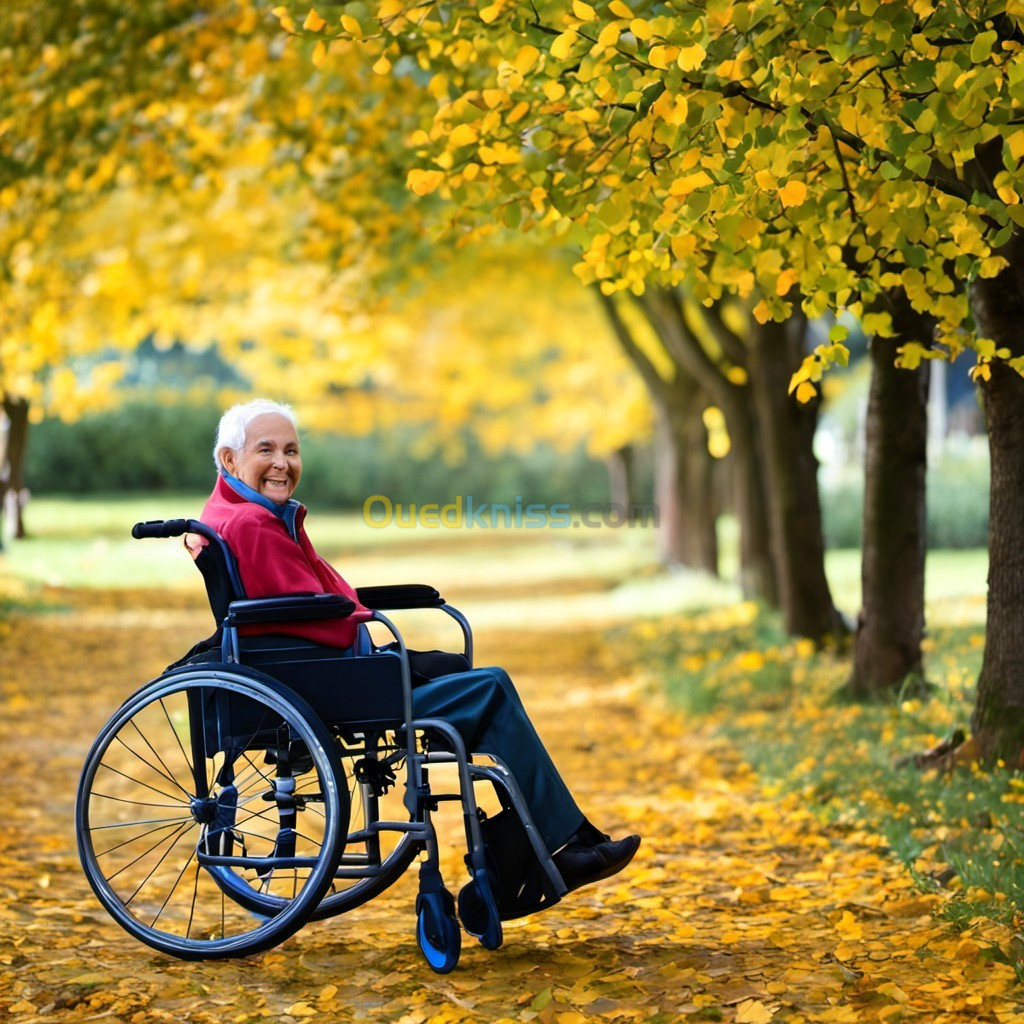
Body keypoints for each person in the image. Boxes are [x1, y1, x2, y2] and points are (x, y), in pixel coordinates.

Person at [196, 398, 640, 911]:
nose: (283, 463)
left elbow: (313, 605)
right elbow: (315, 615)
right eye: (267, 450)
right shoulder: (253, 524)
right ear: (230, 461)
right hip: (322, 679)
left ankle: (540, 849)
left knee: (467, 682)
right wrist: (367, 630)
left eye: (291, 450)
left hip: (314, 668)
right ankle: (543, 850)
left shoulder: (252, 514)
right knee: (488, 686)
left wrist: (364, 626)